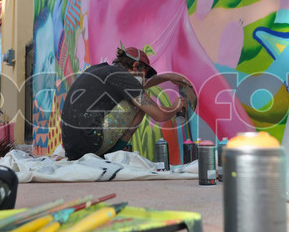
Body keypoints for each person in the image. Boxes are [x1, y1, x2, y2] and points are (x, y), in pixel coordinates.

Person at [60, 46, 193, 160]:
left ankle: (109, 151)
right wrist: (176, 107)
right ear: (135, 65)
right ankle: (112, 153)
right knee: (140, 105)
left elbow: (139, 85)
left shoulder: (101, 70)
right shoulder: (124, 77)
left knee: (136, 96)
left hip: (72, 149)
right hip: (91, 143)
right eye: (143, 74)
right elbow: (159, 115)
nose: (143, 80)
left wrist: (167, 77)